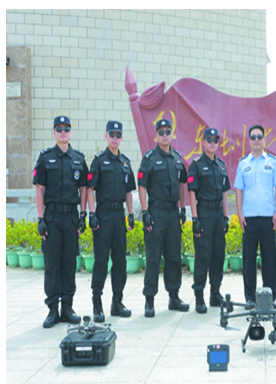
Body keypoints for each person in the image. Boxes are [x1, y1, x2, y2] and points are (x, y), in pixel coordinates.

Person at [33, 115, 88, 328]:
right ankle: (52, 310)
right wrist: (40, 218)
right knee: (52, 263)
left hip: (71, 218)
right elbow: (40, 189)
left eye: (66, 129)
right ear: (54, 132)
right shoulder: (46, 158)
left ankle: (67, 307)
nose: (63, 132)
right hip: (52, 217)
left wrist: (82, 216)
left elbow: (83, 189)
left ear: (70, 132)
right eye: (59, 129)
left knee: (69, 263)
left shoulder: (79, 159)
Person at [137, 118, 189, 317]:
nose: (165, 135)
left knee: (174, 257)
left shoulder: (177, 158)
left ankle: (174, 297)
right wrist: (145, 212)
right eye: (161, 132)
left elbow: (182, 184)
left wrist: (182, 208)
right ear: (156, 135)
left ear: (171, 134)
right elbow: (142, 185)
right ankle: (149, 300)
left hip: (173, 213)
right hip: (156, 213)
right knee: (153, 257)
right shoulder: (149, 158)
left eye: (168, 132)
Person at [86, 120, 136, 322]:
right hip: (103, 215)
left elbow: (129, 191)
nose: (115, 138)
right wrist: (91, 214)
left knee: (120, 261)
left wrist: (130, 214)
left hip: (119, 216)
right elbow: (90, 188)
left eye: (118, 135)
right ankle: (97, 303)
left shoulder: (125, 163)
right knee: (101, 260)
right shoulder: (99, 161)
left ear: (122, 137)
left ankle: (117, 302)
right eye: (111, 134)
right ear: (106, 135)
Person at [234, 125, 276, 306]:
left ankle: (270, 296)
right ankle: (250, 297)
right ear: (249, 141)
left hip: (268, 218)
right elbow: (239, 190)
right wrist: (239, 214)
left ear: (264, 140)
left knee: (269, 258)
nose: (256, 140)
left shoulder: (272, 162)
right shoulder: (243, 164)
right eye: (253, 137)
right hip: (249, 219)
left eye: (259, 137)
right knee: (249, 259)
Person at [187, 128, 231, 313]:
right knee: (203, 256)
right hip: (204, 213)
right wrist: (195, 218)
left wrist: (226, 216)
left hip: (218, 214)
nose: (212, 143)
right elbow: (192, 192)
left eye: (215, 140)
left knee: (218, 255)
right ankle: (199, 295)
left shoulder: (221, 165)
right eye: (209, 140)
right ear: (203, 142)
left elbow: (224, 193)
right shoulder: (196, 165)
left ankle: (215, 293)